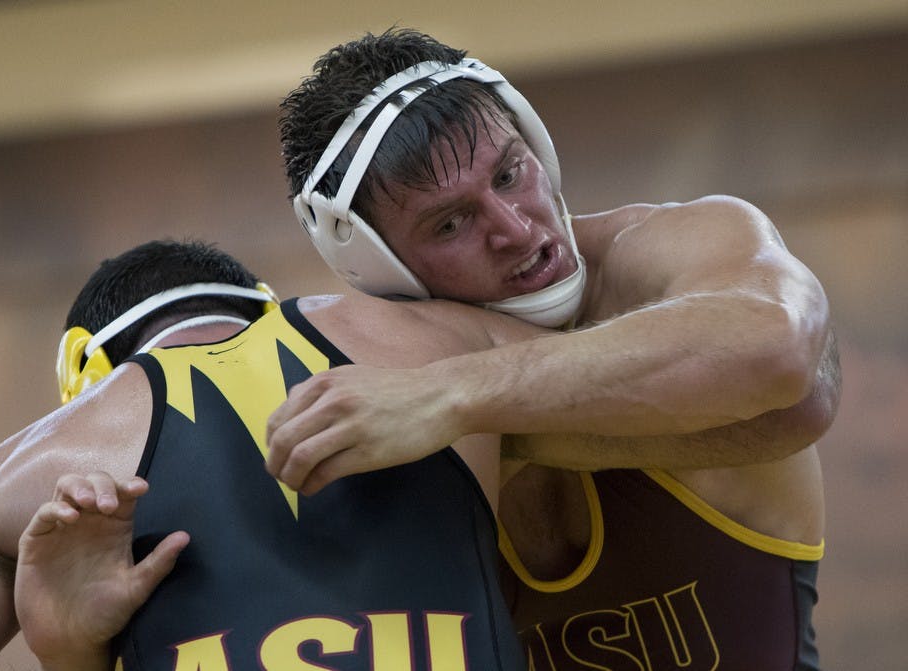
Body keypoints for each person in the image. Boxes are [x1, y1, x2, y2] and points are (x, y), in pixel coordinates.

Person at [263, 28, 839, 669]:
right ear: (376, 264)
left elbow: (780, 353)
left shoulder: (670, 250)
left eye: (511, 173)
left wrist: (454, 400)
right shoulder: (372, 386)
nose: (514, 228)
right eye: (450, 223)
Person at [0, 238, 573, 669]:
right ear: (264, 308)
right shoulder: (437, 343)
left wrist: (69, 656)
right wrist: (459, 394)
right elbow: (673, 360)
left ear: (86, 370)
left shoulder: (47, 461)